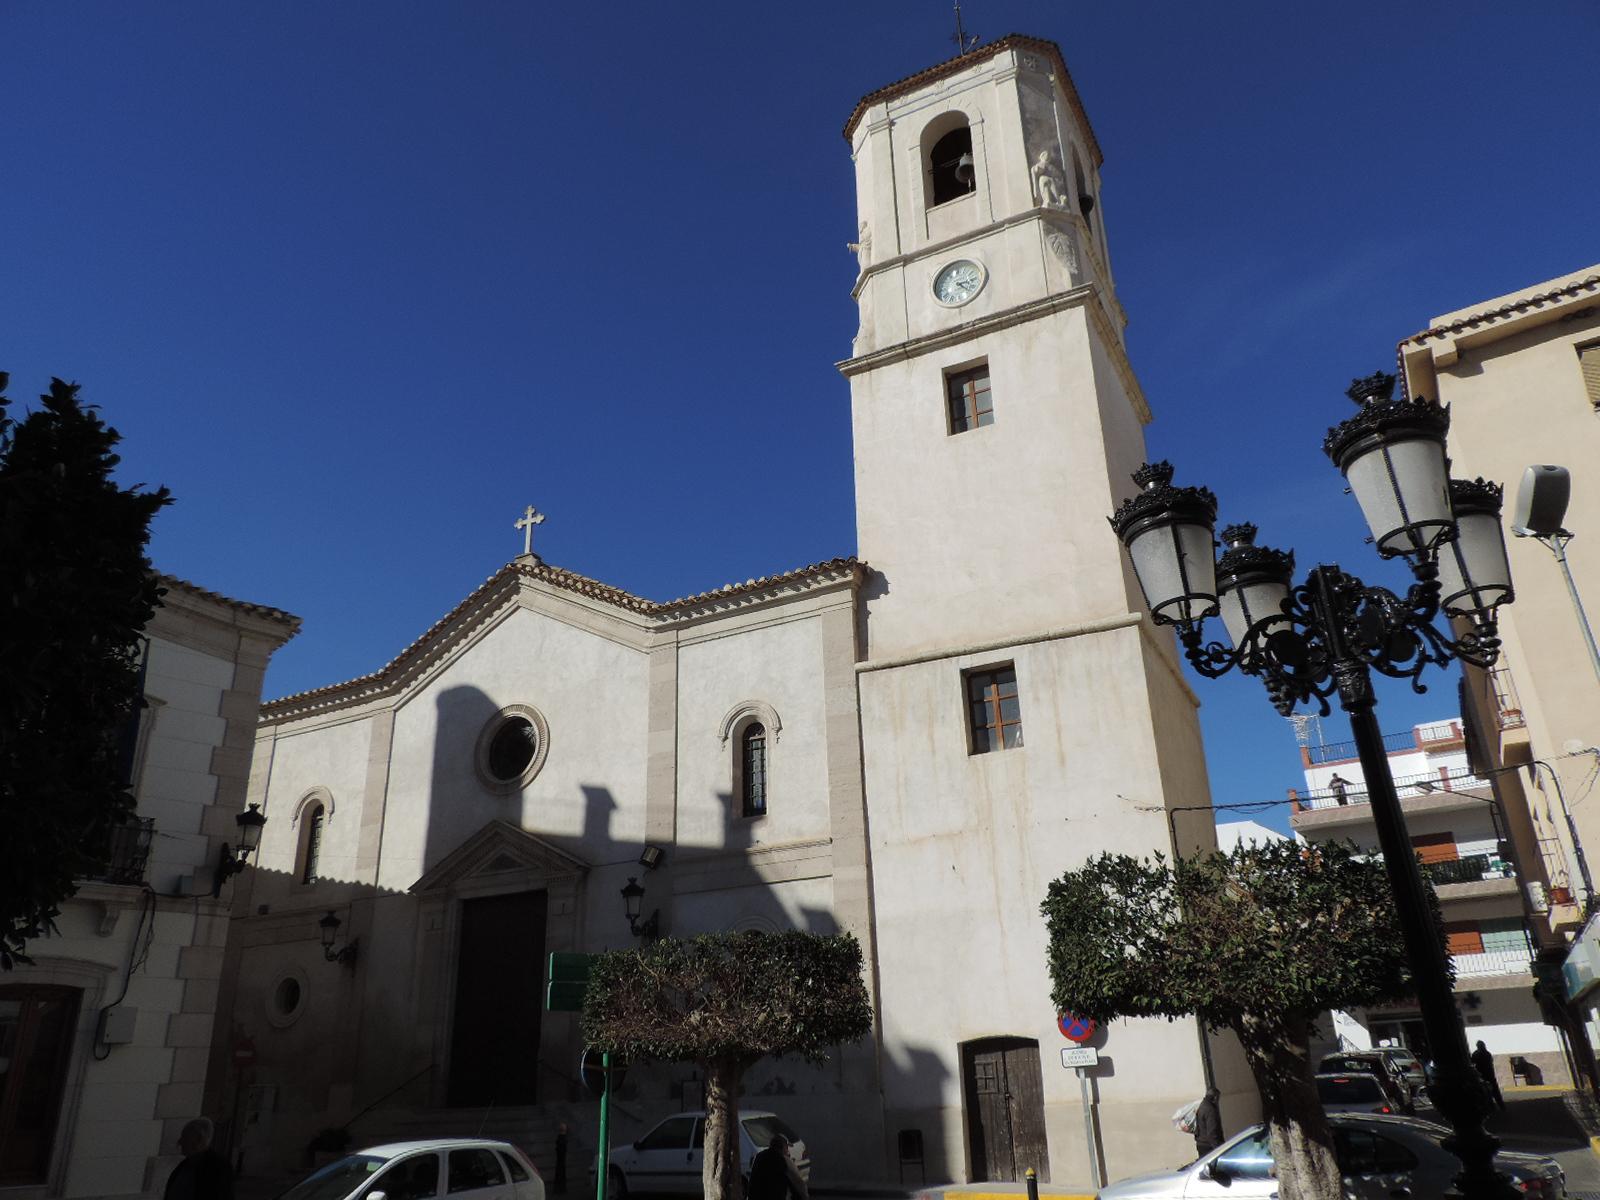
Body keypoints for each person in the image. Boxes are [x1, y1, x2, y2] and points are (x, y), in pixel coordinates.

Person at [163, 1118, 233, 1200]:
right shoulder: (185, 1165)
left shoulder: (219, 1167)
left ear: (199, 1139)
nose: (180, 1142)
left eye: (185, 1137)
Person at [746, 1133, 807, 1200]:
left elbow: (752, 1182)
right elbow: (799, 1185)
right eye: (787, 1148)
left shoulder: (759, 1156)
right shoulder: (784, 1160)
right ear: (783, 1147)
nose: (788, 1151)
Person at [1471, 1040, 1505, 1110]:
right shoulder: (1487, 1053)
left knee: (1486, 1092)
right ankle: (1501, 1106)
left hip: (1482, 1075)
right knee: (1495, 1091)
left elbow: (1472, 1061)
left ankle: (1492, 1106)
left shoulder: (1476, 1054)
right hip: (1490, 1074)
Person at [1193, 1087, 1223, 1158]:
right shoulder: (1210, 1110)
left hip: (1201, 1144)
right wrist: (1218, 1149)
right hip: (1208, 1146)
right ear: (1215, 1097)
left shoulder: (1202, 1106)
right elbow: (1212, 1131)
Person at [552, 1122, 568, 1194]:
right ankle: (561, 1189)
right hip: (561, 1159)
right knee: (561, 1174)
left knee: (559, 1173)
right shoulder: (562, 1138)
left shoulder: (560, 1138)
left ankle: (559, 1189)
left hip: (560, 1159)